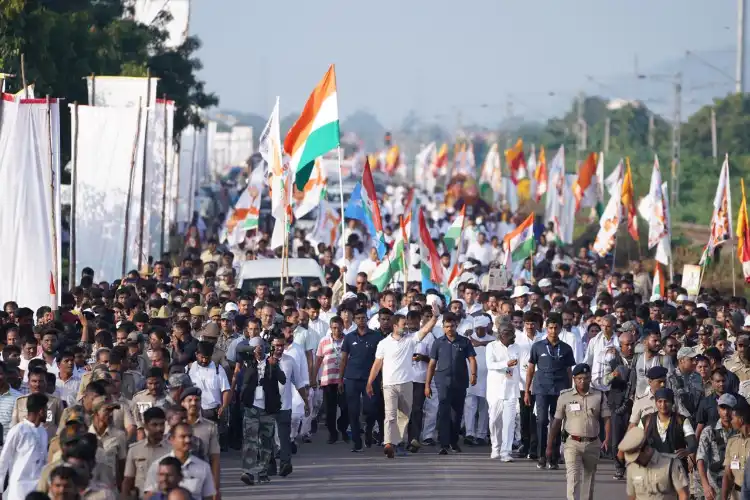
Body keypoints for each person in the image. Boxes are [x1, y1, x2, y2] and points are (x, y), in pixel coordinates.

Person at [366, 311, 437, 458]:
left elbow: (425, 330)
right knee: (390, 415)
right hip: (389, 385)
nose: (406, 327)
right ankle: (388, 443)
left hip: (406, 384)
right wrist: (369, 382)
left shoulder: (410, 340)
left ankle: (396, 444)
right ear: (394, 326)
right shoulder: (383, 344)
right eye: (403, 325)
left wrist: (435, 317)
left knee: (404, 416)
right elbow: (377, 364)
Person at [547, 363, 611, 500]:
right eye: (579, 378)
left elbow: (606, 418)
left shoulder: (599, 396)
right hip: (572, 443)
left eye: (586, 378)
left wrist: (607, 438)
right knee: (573, 477)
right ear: (574, 379)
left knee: (589, 478)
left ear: (590, 378)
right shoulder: (565, 397)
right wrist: (549, 445)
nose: (583, 381)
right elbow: (556, 422)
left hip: (593, 443)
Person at [524, 312, 576, 469]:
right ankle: (541, 456)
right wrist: (527, 390)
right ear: (546, 328)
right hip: (541, 389)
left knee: (557, 423)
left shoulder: (566, 348)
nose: (553, 331)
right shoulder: (538, 346)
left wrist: (570, 392)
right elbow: (531, 369)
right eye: (550, 328)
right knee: (541, 421)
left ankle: (553, 457)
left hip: (560, 390)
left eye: (556, 328)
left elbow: (569, 371)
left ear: (560, 329)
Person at [425, 311, 478, 455]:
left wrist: (474, 374)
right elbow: (431, 364)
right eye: (447, 326)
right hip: (442, 382)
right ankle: (443, 444)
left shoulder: (464, 341)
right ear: (443, 327)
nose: (450, 329)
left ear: (456, 326)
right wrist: (427, 384)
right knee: (443, 413)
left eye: (452, 326)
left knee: (457, 414)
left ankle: (453, 442)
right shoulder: (438, 342)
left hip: (460, 382)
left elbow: (472, 359)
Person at [235, 336, 286, 485]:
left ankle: (263, 472)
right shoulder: (247, 361)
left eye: (261, 347)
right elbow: (239, 349)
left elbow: (283, 379)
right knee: (250, 441)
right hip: (251, 407)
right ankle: (248, 472)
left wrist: (274, 366)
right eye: (256, 348)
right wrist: (252, 350)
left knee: (266, 442)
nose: (259, 350)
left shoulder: (272, 361)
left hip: (268, 408)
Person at [339, 308, 383, 452]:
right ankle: (357, 442)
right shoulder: (349, 337)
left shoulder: (376, 337)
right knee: (353, 411)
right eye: (358, 318)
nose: (361, 321)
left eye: (363, 318)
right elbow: (344, 359)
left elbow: (382, 359)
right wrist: (340, 379)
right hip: (351, 378)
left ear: (367, 319)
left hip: (370, 379)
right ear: (354, 320)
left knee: (371, 409)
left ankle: (369, 430)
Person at [143, 422, 216, 500]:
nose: (188, 440)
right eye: (183, 436)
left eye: (190, 436)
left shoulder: (203, 467)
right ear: (172, 439)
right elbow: (149, 496)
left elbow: (208, 497)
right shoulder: (158, 466)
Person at [620, 419, 690, 499]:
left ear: (646, 449)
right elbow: (632, 497)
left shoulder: (671, 464)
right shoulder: (631, 468)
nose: (635, 462)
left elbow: (683, 495)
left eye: (637, 458)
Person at [0, 393, 49, 499]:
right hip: (19, 488)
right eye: (46, 410)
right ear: (41, 411)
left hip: (38, 488)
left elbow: (44, 461)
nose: (47, 413)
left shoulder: (43, 432)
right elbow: (3, 460)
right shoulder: (18, 430)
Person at [485, 320, 520, 461]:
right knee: (494, 420)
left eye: (509, 333)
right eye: (503, 333)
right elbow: (490, 364)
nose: (506, 335)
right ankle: (496, 447)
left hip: (511, 389)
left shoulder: (517, 347)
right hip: (495, 389)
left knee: (509, 421)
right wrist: (506, 364)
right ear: (499, 334)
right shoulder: (491, 346)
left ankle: (506, 452)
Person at [122, 406, 170, 499]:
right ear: (146, 426)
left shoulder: (172, 450)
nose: (159, 428)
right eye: (155, 425)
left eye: (162, 424)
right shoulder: (134, 450)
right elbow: (128, 480)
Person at [697, 393, 737, 500]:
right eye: (723, 408)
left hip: (736, 484)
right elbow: (700, 459)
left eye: (729, 408)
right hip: (715, 486)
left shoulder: (740, 431)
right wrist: (706, 486)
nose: (726, 412)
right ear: (718, 409)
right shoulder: (709, 431)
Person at [724, 396, 750, 499]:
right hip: (737, 494)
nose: (730, 421)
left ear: (741, 420)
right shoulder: (732, 442)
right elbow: (727, 474)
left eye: (732, 418)